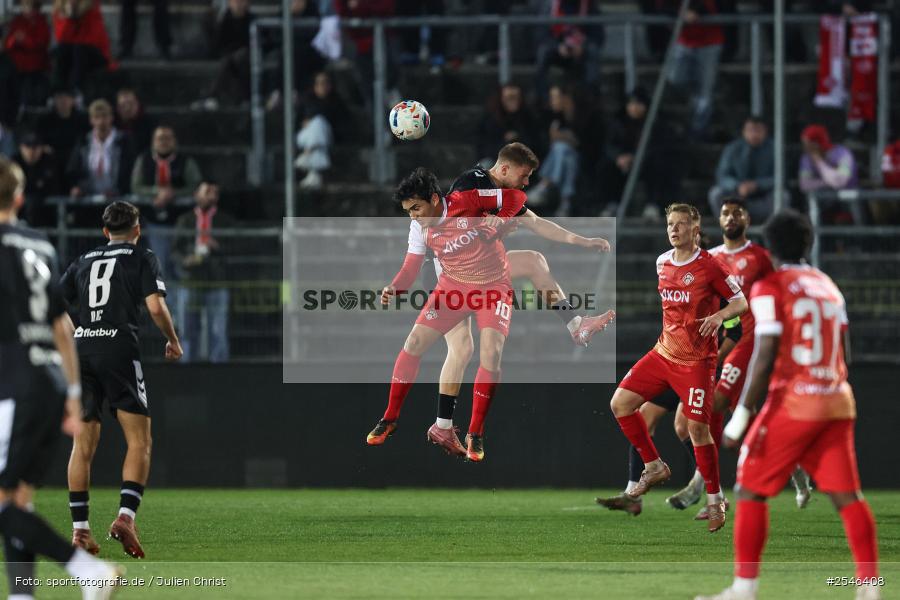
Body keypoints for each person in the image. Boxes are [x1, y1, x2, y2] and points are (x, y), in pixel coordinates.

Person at [696, 210, 881, 600]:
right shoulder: (828, 285)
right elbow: (844, 350)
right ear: (808, 243)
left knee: (748, 489)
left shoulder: (770, 287)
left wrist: (740, 417)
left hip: (796, 401)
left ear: (770, 247)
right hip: (837, 400)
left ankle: (743, 590)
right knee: (849, 497)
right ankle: (869, 589)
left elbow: (764, 353)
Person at [396, 143, 615, 458]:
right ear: (505, 170)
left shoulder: (498, 195)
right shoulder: (470, 185)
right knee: (461, 350)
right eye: (524, 176)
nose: (526, 183)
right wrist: (493, 229)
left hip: (480, 272)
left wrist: (583, 241)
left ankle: (576, 324)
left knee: (533, 262)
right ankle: (443, 425)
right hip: (447, 275)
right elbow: (459, 235)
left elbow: (536, 222)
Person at [0, 157, 121, 599]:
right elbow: (63, 328)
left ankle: (86, 570)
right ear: (19, 197)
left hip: (12, 386)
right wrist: (72, 394)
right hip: (50, 382)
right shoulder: (41, 244)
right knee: (18, 501)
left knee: (3, 505)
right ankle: (22, 594)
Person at [366, 167, 527, 462]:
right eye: (407, 211)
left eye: (416, 208)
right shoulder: (418, 227)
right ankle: (390, 418)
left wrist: (500, 218)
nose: (413, 216)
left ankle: (475, 433)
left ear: (435, 199)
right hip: (453, 289)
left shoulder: (468, 200)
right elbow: (411, 267)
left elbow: (517, 196)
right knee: (414, 343)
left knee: (491, 353)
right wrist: (395, 287)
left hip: (493, 288)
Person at [608, 203, 747, 533]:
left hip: (697, 363)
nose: (674, 229)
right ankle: (654, 466)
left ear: (695, 230)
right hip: (662, 354)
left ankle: (715, 500)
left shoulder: (709, 266)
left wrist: (718, 316)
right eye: (670, 223)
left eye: (682, 224)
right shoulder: (662, 262)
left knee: (697, 430)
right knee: (621, 404)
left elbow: (740, 303)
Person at [61, 200, 182, 559]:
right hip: (119, 350)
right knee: (139, 441)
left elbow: (55, 303)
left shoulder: (82, 261)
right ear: (137, 229)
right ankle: (125, 517)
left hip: (81, 351)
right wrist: (172, 341)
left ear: (105, 232)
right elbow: (156, 307)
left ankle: (80, 531)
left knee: (82, 445)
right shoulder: (141, 257)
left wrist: (77, 333)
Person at [172, 181, 235, 363]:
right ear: (196, 195)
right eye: (207, 192)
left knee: (218, 330)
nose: (211, 196)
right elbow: (175, 250)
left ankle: (220, 370)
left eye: (215, 193)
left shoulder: (225, 221)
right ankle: (187, 369)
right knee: (188, 329)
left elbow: (238, 245)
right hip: (190, 279)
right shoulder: (185, 220)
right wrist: (186, 260)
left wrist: (218, 246)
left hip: (217, 281)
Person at [131, 125, 203, 275]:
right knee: (160, 265)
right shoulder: (144, 160)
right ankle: (165, 298)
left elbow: (195, 186)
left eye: (168, 138)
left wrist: (174, 193)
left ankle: (183, 299)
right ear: (153, 142)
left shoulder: (185, 162)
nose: (164, 142)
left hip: (181, 223)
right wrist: (157, 192)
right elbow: (136, 186)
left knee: (181, 265)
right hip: (154, 223)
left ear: (174, 141)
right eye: (160, 138)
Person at [600, 87, 679, 218]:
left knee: (658, 164)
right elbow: (610, 145)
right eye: (631, 104)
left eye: (638, 104)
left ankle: (652, 204)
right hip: (623, 162)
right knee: (606, 166)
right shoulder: (619, 121)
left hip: (646, 161)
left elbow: (657, 146)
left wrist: (635, 158)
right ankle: (612, 204)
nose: (634, 108)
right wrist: (618, 157)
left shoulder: (654, 122)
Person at [667, 0, 724, 138]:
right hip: (683, 41)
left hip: (709, 42)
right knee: (675, 78)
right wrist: (679, 13)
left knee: (705, 90)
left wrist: (697, 11)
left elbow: (718, 7)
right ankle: (695, 99)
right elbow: (662, 7)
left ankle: (699, 129)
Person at [533, 0, 604, 101]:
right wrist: (557, 46)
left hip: (581, 50)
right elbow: (541, 34)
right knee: (543, 52)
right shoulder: (550, 5)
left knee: (593, 52)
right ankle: (543, 98)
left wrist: (583, 47)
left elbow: (598, 36)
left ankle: (590, 98)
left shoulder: (589, 5)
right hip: (557, 50)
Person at [708, 116, 776, 223]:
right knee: (716, 193)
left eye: (758, 130)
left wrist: (757, 185)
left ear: (765, 132)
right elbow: (722, 175)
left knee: (783, 196)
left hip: (763, 197)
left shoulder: (774, 149)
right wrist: (737, 186)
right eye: (750, 130)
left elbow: (779, 177)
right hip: (737, 196)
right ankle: (729, 228)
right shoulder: (732, 149)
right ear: (744, 132)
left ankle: (771, 230)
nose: (754, 135)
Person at [191, 0, 255, 111]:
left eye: (242, 2)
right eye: (236, 2)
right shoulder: (226, 18)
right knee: (228, 62)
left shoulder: (252, 20)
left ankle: (212, 96)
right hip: (230, 57)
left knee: (238, 59)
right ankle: (217, 97)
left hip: (248, 55)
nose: (239, 5)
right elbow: (218, 44)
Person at [66, 99, 135, 199]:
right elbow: (72, 169)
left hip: (116, 199)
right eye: (97, 117)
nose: (101, 121)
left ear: (111, 118)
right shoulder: (83, 142)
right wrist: (76, 187)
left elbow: (131, 171)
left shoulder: (124, 141)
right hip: (88, 201)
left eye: (105, 116)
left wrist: (120, 190)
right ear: (91, 120)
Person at [293, 71, 348, 190]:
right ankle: (311, 158)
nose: (323, 86)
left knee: (319, 123)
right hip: (305, 136)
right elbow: (296, 123)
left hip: (325, 138)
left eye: (326, 83)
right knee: (317, 123)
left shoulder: (336, 101)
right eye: (320, 83)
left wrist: (314, 121)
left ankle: (311, 165)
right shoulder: (306, 99)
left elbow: (341, 126)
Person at [799, 123, 861, 223]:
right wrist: (827, 182)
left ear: (817, 143)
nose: (806, 148)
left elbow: (840, 182)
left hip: (846, 199)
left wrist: (819, 162)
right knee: (813, 201)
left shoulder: (842, 153)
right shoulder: (806, 158)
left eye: (808, 144)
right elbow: (804, 184)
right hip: (823, 201)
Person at [51, 0, 113, 92]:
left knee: (79, 50)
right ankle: (58, 93)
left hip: (96, 53)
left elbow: (92, 39)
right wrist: (69, 18)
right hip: (74, 53)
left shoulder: (92, 7)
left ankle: (75, 91)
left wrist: (77, 17)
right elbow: (62, 38)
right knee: (61, 50)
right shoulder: (60, 10)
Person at [476, 84, 541, 166]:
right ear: (501, 99)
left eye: (516, 97)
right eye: (509, 98)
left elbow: (535, 144)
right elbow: (484, 146)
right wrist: (505, 142)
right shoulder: (491, 119)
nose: (513, 101)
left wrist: (518, 138)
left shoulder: (528, 117)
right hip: (496, 160)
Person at [3, 0, 52, 108]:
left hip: (35, 65)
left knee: (29, 89)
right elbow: (8, 45)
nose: (27, 9)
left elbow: (41, 43)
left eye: (30, 6)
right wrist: (15, 39)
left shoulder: (41, 22)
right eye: (24, 6)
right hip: (16, 65)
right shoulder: (17, 21)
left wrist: (25, 39)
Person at [12, 130, 62, 227]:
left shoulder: (49, 161)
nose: (31, 151)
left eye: (35, 147)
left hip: (46, 216)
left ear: (42, 148)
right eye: (28, 146)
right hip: (19, 215)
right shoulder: (14, 162)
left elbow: (54, 188)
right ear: (21, 147)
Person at [36, 84, 90, 163]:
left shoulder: (82, 120)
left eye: (67, 97)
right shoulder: (44, 121)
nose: (63, 101)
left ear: (73, 100)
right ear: (54, 100)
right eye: (59, 97)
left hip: (76, 160)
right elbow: (38, 140)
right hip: (51, 160)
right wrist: (43, 147)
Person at [115, 88, 156, 155]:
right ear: (117, 108)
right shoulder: (112, 125)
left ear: (138, 104)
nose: (127, 108)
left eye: (131, 103)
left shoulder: (150, 124)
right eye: (123, 105)